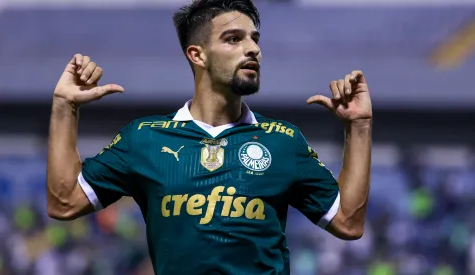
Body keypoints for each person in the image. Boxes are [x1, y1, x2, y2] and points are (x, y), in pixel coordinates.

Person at [46, 0, 372, 274]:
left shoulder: (283, 140)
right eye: (233, 39)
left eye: (254, 39)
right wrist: (64, 107)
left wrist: (359, 125)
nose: (253, 49)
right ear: (197, 55)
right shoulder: (144, 139)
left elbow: (347, 222)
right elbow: (64, 202)